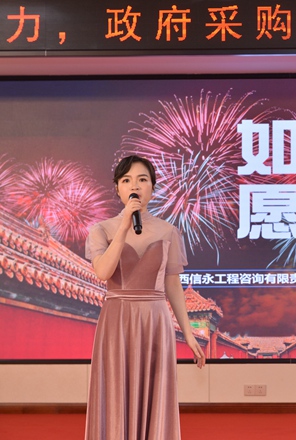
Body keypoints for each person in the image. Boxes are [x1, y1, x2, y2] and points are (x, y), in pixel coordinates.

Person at [84, 155, 206, 440]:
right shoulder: (101, 230)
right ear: (117, 188)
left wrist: (189, 334)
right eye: (126, 180)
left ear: (152, 187)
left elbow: (172, 284)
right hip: (117, 320)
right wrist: (124, 227)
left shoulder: (168, 231)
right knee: (116, 390)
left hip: (155, 320)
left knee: (155, 393)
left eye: (142, 180)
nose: (134, 186)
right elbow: (103, 272)